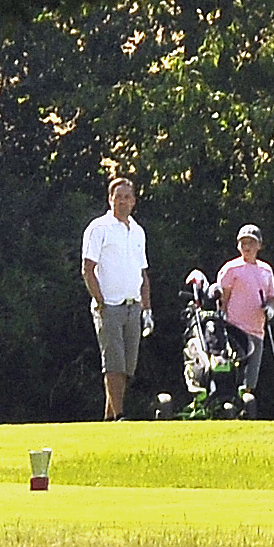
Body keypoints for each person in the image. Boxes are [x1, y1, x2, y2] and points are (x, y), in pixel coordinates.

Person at [79, 175, 152, 419]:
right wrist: (100, 302)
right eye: (117, 197)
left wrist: (147, 308)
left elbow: (143, 273)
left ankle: (109, 419)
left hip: (134, 306)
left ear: (134, 201)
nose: (122, 201)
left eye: (126, 197)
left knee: (127, 367)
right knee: (114, 363)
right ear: (110, 199)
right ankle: (120, 415)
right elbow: (88, 268)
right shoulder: (99, 228)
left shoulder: (138, 231)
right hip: (109, 306)